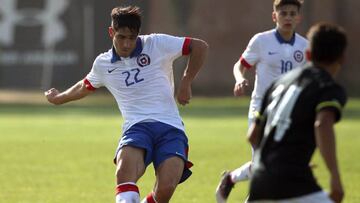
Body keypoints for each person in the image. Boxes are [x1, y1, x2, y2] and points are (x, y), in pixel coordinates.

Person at [44, 6, 208, 203]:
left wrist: (186, 82)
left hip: (171, 128)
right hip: (137, 128)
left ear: (138, 34)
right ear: (111, 32)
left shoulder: (156, 43)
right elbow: (84, 86)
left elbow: (199, 47)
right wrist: (59, 98)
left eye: (132, 38)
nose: (126, 43)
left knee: (165, 189)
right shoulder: (103, 64)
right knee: (124, 174)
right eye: (121, 37)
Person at [216, 0, 307, 202]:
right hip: (261, 109)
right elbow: (240, 65)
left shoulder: (305, 46)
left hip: (288, 113)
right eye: (283, 13)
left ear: (298, 18)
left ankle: (231, 179)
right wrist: (240, 79)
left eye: (292, 14)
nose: (288, 18)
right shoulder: (261, 41)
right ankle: (234, 182)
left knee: (276, 165)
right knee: (264, 163)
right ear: (274, 16)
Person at [247, 22, 347, 203]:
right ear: (341, 58)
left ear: (308, 54)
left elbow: (253, 135)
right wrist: (335, 176)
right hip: (293, 182)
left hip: (259, 181)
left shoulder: (278, 83)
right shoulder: (328, 87)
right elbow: (323, 124)